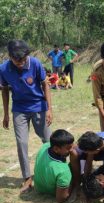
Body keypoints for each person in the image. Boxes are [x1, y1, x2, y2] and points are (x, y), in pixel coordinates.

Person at [0, 40, 52, 193]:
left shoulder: (35, 63)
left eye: (23, 59)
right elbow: (4, 90)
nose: (21, 63)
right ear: (10, 57)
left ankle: (52, 171)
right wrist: (5, 114)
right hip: (19, 109)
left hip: (39, 107)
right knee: (21, 142)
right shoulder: (3, 69)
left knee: (48, 141)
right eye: (17, 60)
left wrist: (49, 109)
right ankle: (27, 178)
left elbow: (46, 85)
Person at [34, 129, 74, 203]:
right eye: (68, 148)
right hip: (53, 192)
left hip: (38, 188)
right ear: (56, 149)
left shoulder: (45, 146)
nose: (72, 150)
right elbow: (61, 199)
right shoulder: (63, 171)